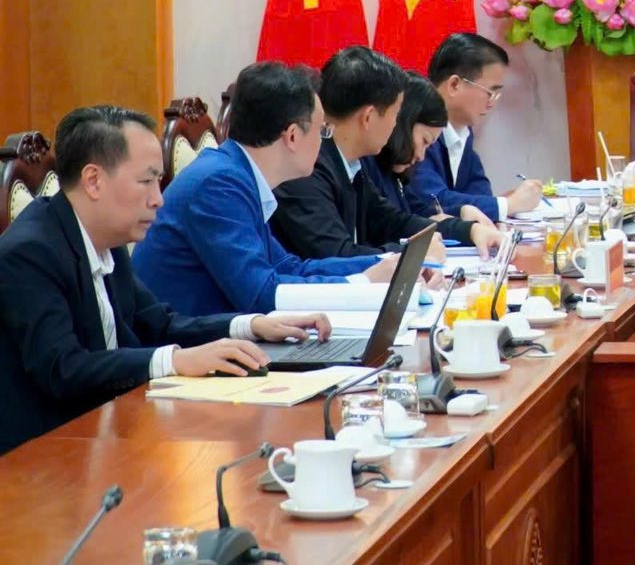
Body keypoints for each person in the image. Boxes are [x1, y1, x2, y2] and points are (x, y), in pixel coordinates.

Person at [0, 106, 332, 455]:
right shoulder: (30, 253)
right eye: (146, 181)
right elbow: (63, 369)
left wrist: (252, 325)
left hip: (112, 431)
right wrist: (176, 360)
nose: (158, 199)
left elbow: (159, 323)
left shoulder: (106, 236)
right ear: (93, 180)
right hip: (44, 457)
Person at [132, 62, 398, 315]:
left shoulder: (237, 173)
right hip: (186, 343)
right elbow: (262, 295)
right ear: (292, 135)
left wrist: (384, 263)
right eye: (322, 131)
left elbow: (287, 267)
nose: (323, 142)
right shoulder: (219, 184)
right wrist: (363, 283)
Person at [271, 47, 500, 261]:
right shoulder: (307, 169)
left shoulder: (351, 165)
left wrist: (468, 230)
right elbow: (336, 255)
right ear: (368, 116)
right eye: (395, 114)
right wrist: (411, 254)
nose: (395, 125)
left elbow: (391, 221)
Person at [410, 33, 543, 222]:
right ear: (454, 85)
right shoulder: (417, 127)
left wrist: (500, 204)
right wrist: (508, 205)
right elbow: (431, 200)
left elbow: (478, 189)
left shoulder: (463, 130)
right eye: (490, 92)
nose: (492, 103)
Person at [364, 73, 500, 245]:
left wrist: (461, 212)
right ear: (402, 123)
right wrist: (466, 229)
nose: (421, 156)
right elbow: (397, 224)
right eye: (424, 141)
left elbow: (419, 212)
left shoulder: (394, 172)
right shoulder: (367, 168)